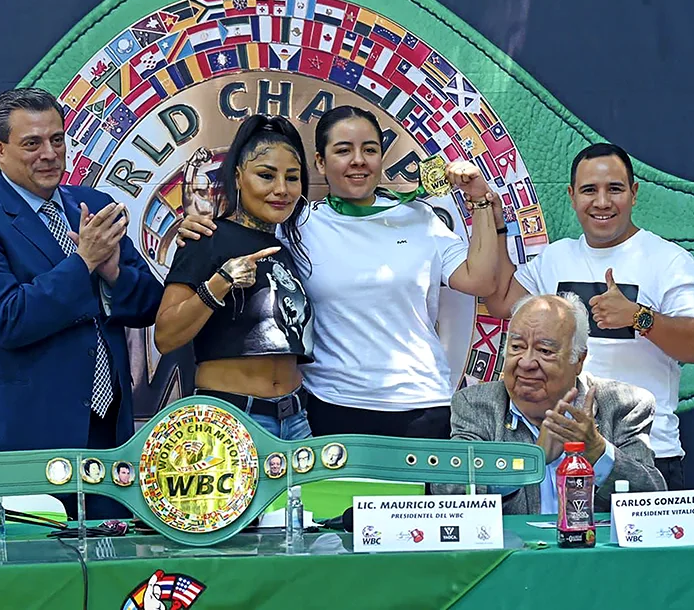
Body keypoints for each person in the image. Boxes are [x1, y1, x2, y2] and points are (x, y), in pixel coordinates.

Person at [178, 106, 500, 440]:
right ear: (319, 163)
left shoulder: (421, 218)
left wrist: (479, 201)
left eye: (370, 150)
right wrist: (200, 231)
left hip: (423, 405)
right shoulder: (296, 223)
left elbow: (482, 280)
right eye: (343, 150)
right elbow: (243, 228)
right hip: (332, 408)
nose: (358, 160)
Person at [0, 88, 162, 515]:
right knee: (18, 574)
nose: (50, 154)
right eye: (32, 143)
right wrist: (84, 262)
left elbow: (150, 303)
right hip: (16, 438)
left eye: (57, 140)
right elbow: (8, 318)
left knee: (108, 567)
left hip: (104, 435)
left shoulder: (93, 207)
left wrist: (112, 272)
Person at [484, 143, 694, 490]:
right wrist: (495, 222)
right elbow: (501, 300)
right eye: (590, 190)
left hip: (645, 452)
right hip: (564, 452)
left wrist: (639, 317)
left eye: (615, 189)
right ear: (572, 195)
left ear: (634, 194)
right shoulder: (555, 257)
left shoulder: (668, 260)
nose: (602, 202)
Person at [155, 115, 314, 440]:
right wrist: (220, 282)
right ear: (239, 177)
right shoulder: (207, 237)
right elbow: (165, 336)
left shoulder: (290, 246)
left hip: (296, 419)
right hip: (229, 421)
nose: (281, 189)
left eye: (292, 177)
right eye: (266, 175)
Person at [434, 293, 666, 513]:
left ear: (579, 360)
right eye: (516, 347)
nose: (526, 362)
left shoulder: (622, 406)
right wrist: (530, 461)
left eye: (544, 351)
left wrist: (597, 451)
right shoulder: (475, 405)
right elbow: (449, 492)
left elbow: (652, 501)